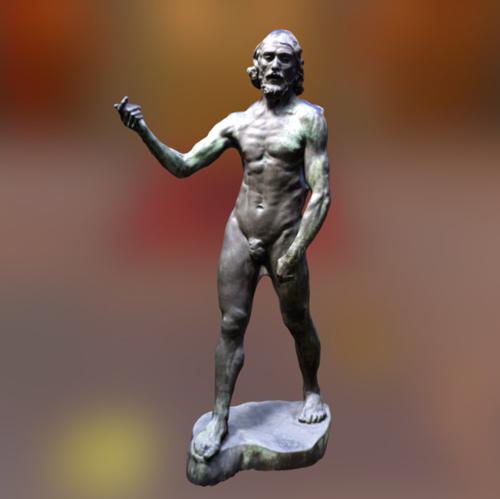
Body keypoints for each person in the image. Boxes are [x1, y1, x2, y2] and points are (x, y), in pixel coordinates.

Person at [115, 29, 331, 462]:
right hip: (241, 232)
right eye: (267, 58)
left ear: (296, 70)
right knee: (231, 324)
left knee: (297, 320)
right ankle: (219, 417)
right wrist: (143, 131)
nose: (275, 66)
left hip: (285, 234)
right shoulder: (238, 123)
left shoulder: (309, 120)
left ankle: (311, 390)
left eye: (284, 59)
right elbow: (185, 165)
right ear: (255, 66)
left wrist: (295, 250)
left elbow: (321, 194)